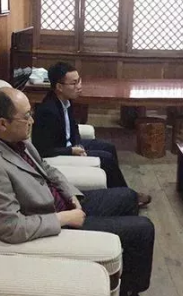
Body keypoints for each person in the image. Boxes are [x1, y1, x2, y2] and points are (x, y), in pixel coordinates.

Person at [0, 87, 161, 296]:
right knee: (143, 228)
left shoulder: (16, 140)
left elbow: (47, 169)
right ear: (2, 123)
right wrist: (66, 218)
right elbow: (11, 227)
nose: (32, 121)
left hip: (64, 203)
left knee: (128, 196)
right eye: (26, 116)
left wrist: (71, 194)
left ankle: (120, 269)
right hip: (55, 220)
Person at [32, 62, 150, 206]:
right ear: (59, 87)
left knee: (109, 147)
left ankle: (119, 192)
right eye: (74, 83)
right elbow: (43, 150)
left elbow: (74, 128)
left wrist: (78, 144)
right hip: (61, 151)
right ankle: (128, 198)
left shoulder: (66, 101)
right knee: (106, 159)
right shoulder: (47, 111)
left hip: (70, 144)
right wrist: (71, 150)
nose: (79, 86)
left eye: (79, 81)